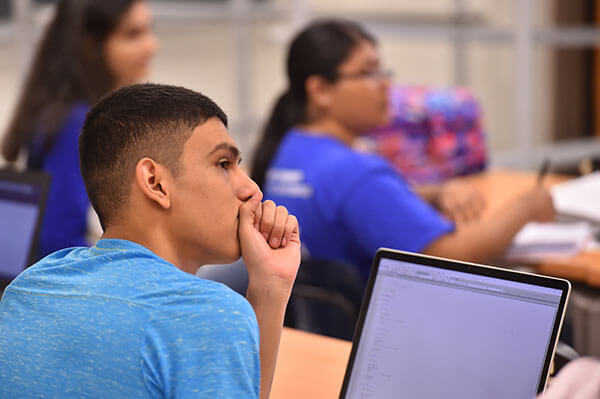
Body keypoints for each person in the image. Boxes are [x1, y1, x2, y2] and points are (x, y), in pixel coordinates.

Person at [0, 83, 301, 398]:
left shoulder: (28, 287)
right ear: (155, 183)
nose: (251, 189)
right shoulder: (204, 315)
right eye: (223, 164)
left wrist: (271, 286)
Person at [251, 19, 555, 281]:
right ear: (320, 90)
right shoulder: (356, 173)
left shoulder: (291, 148)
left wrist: (437, 193)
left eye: (384, 72)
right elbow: (448, 257)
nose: (386, 84)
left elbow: (349, 201)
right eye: (369, 73)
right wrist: (527, 208)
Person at [1, 0, 157, 258]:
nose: (151, 46)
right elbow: (59, 241)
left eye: (149, 31)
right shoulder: (77, 124)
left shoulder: (68, 113)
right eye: (133, 35)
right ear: (91, 46)